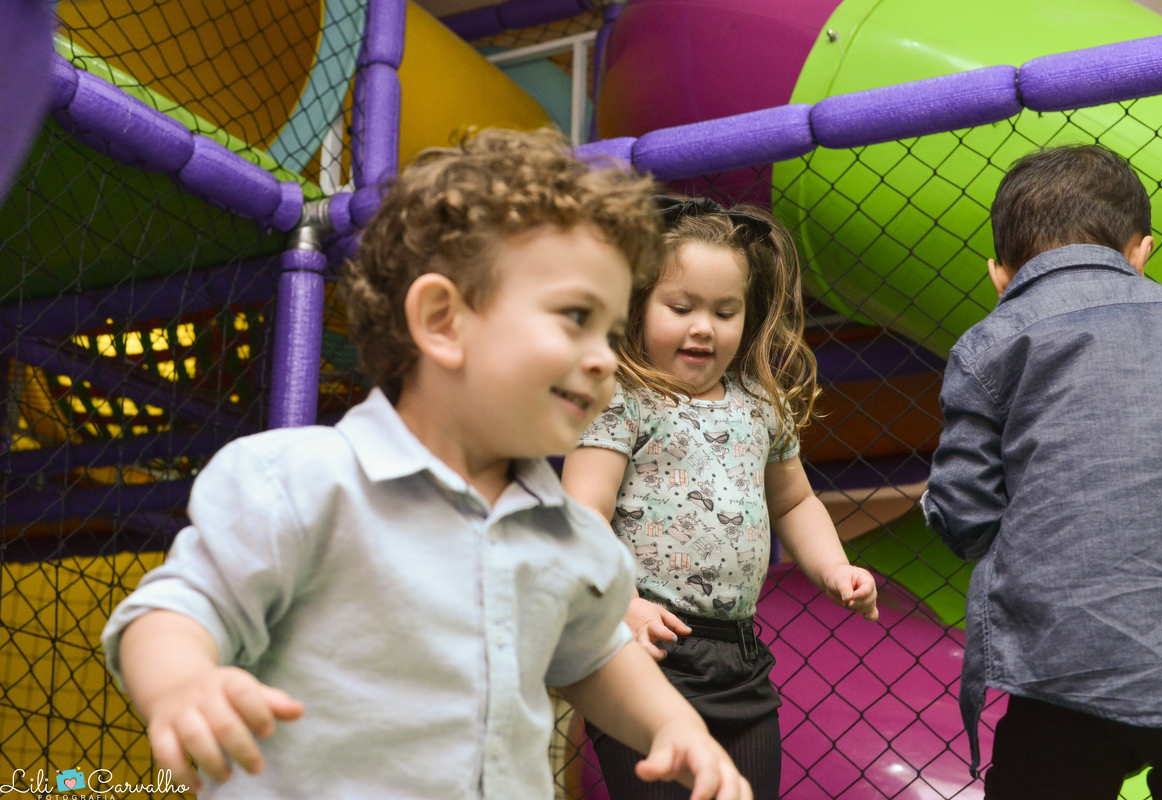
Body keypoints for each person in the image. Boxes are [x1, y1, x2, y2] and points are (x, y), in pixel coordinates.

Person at [100, 129, 754, 800]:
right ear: (443, 320)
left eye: (611, 332)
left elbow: (597, 657)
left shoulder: (573, 540)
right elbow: (175, 609)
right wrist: (184, 683)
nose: (605, 359)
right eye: (574, 318)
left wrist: (675, 723)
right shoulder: (303, 484)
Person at [561, 195, 879, 800]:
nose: (703, 325)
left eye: (724, 311)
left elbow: (794, 504)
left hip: (738, 660)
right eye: (680, 307)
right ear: (637, 306)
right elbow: (581, 511)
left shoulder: (760, 404)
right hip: (645, 652)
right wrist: (621, 604)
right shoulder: (622, 398)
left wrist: (836, 568)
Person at [921, 143, 1162, 798]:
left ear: (999, 273)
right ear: (1142, 252)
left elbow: (963, 511)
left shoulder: (994, 341)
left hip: (1064, 665)